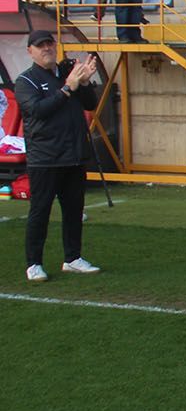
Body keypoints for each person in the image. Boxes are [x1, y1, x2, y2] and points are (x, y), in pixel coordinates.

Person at [15, 31, 102, 282]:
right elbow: (37, 111)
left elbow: (89, 104)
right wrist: (67, 88)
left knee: (74, 210)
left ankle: (73, 258)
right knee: (40, 211)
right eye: (40, 46)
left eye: (50, 44)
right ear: (30, 51)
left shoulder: (67, 74)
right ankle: (34, 263)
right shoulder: (26, 81)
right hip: (45, 158)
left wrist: (84, 82)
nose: (47, 49)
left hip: (73, 155)